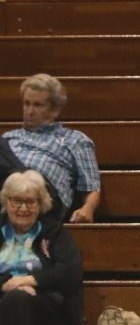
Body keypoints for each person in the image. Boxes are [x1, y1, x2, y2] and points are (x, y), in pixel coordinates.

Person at [0, 170, 82, 325]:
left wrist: (30, 280)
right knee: (13, 298)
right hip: (5, 301)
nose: (23, 208)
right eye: (17, 201)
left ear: (41, 204)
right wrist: (8, 284)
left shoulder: (54, 233)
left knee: (16, 299)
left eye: (30, 201)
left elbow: (71, 273)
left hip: (46, 307)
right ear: (7, 202)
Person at [11, 74, 101, 223]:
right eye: (26, 104)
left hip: (44, 194)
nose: (29, 111)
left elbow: (92, 187)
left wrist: (87, 209)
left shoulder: (75, 140)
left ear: (55, 110)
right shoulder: (9, 138)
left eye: (37, 105)